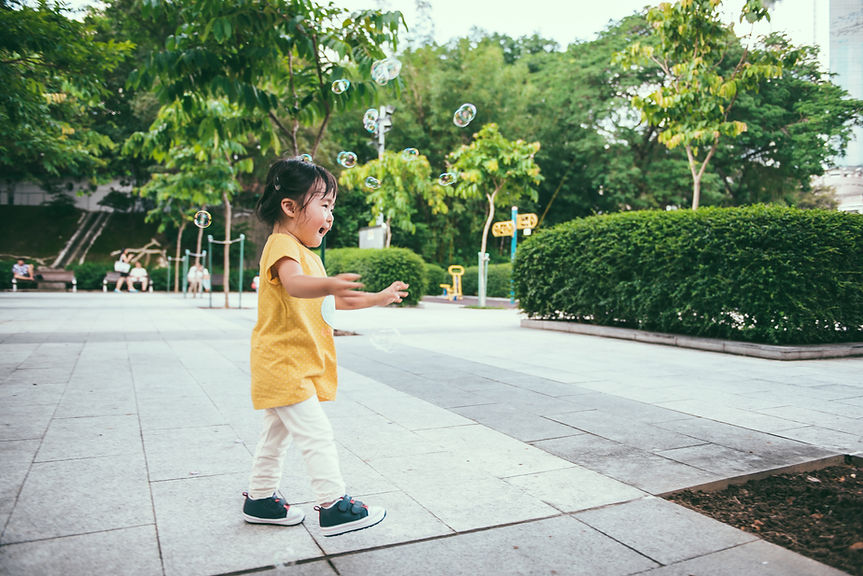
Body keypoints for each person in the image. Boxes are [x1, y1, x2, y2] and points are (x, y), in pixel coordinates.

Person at [242, 157, 408, 537]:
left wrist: (377, 298)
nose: (330, 215)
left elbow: (335, 302)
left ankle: (261, 499)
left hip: (292, 363)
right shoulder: (282, 245)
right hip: (283, 362)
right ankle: (334, 505)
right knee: (316, 434)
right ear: (289, 207)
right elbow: (297, 285)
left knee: (275, 434)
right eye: (324, 204)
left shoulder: (309, 256)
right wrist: (330, 283)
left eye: (332, 206)